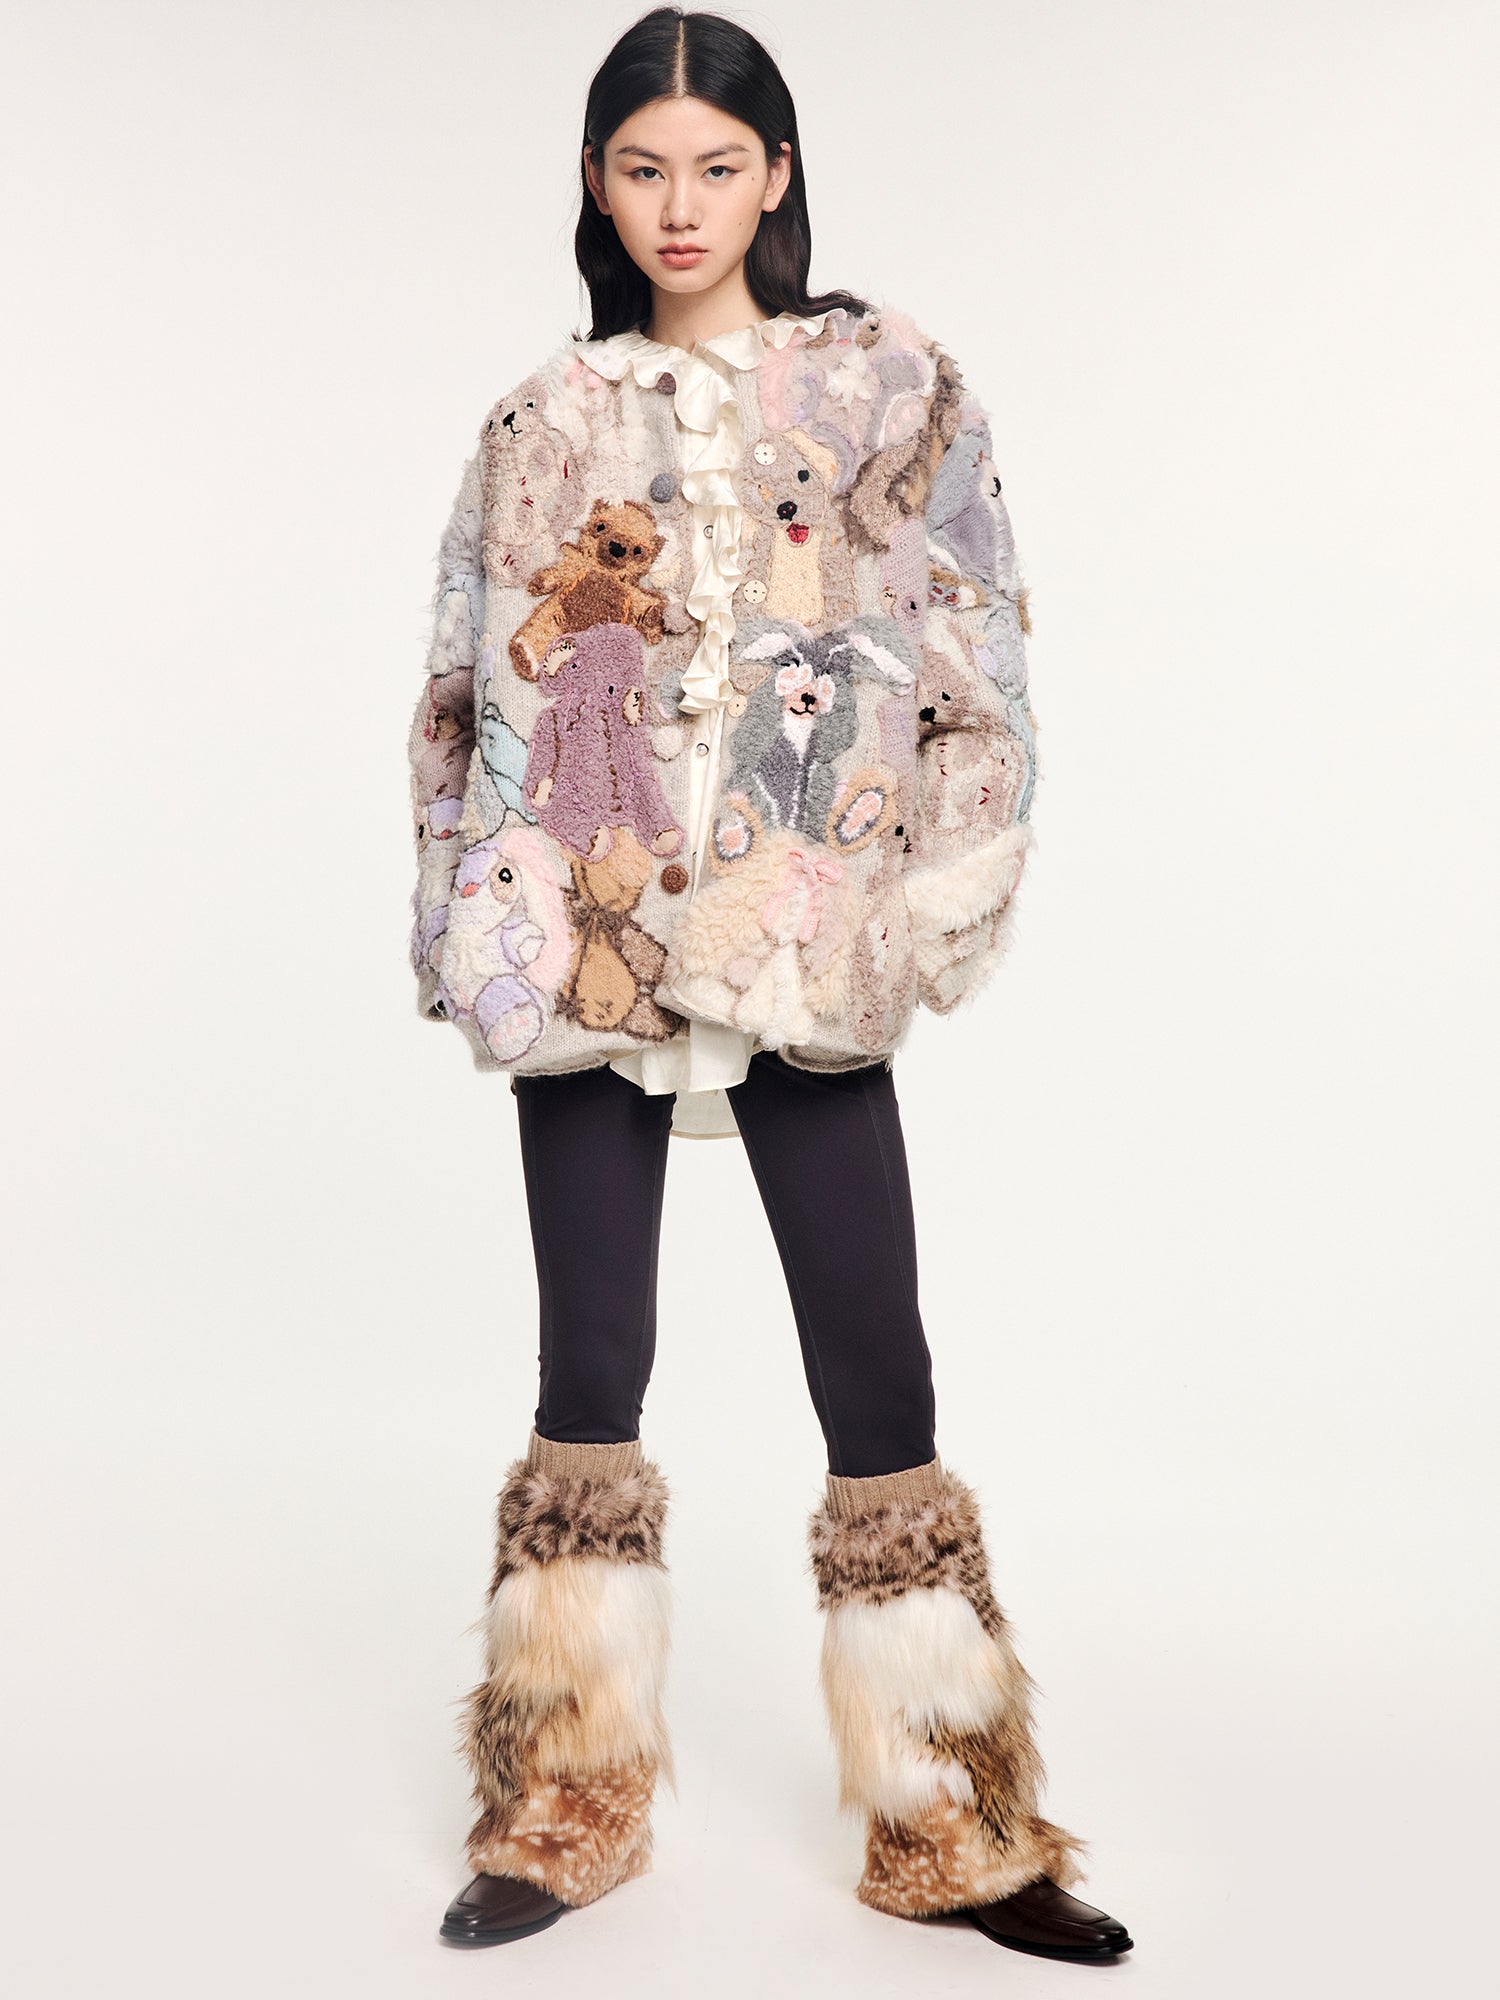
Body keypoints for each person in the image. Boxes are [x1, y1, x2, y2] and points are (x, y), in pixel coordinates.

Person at [405, 4, 1133, 1965]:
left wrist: (944, 883)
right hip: (593, 923)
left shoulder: (891, 388)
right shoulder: (543, 425)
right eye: (644, 168)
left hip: (805, 925)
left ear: (778, 175)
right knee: (589, 1365)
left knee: (876, 1363)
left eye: (718, 167)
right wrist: (474, 918)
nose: (681, 205)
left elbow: (977, 644)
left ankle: (951, 1820)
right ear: (596, 182)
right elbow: (466, 689)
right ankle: (566, 1799)